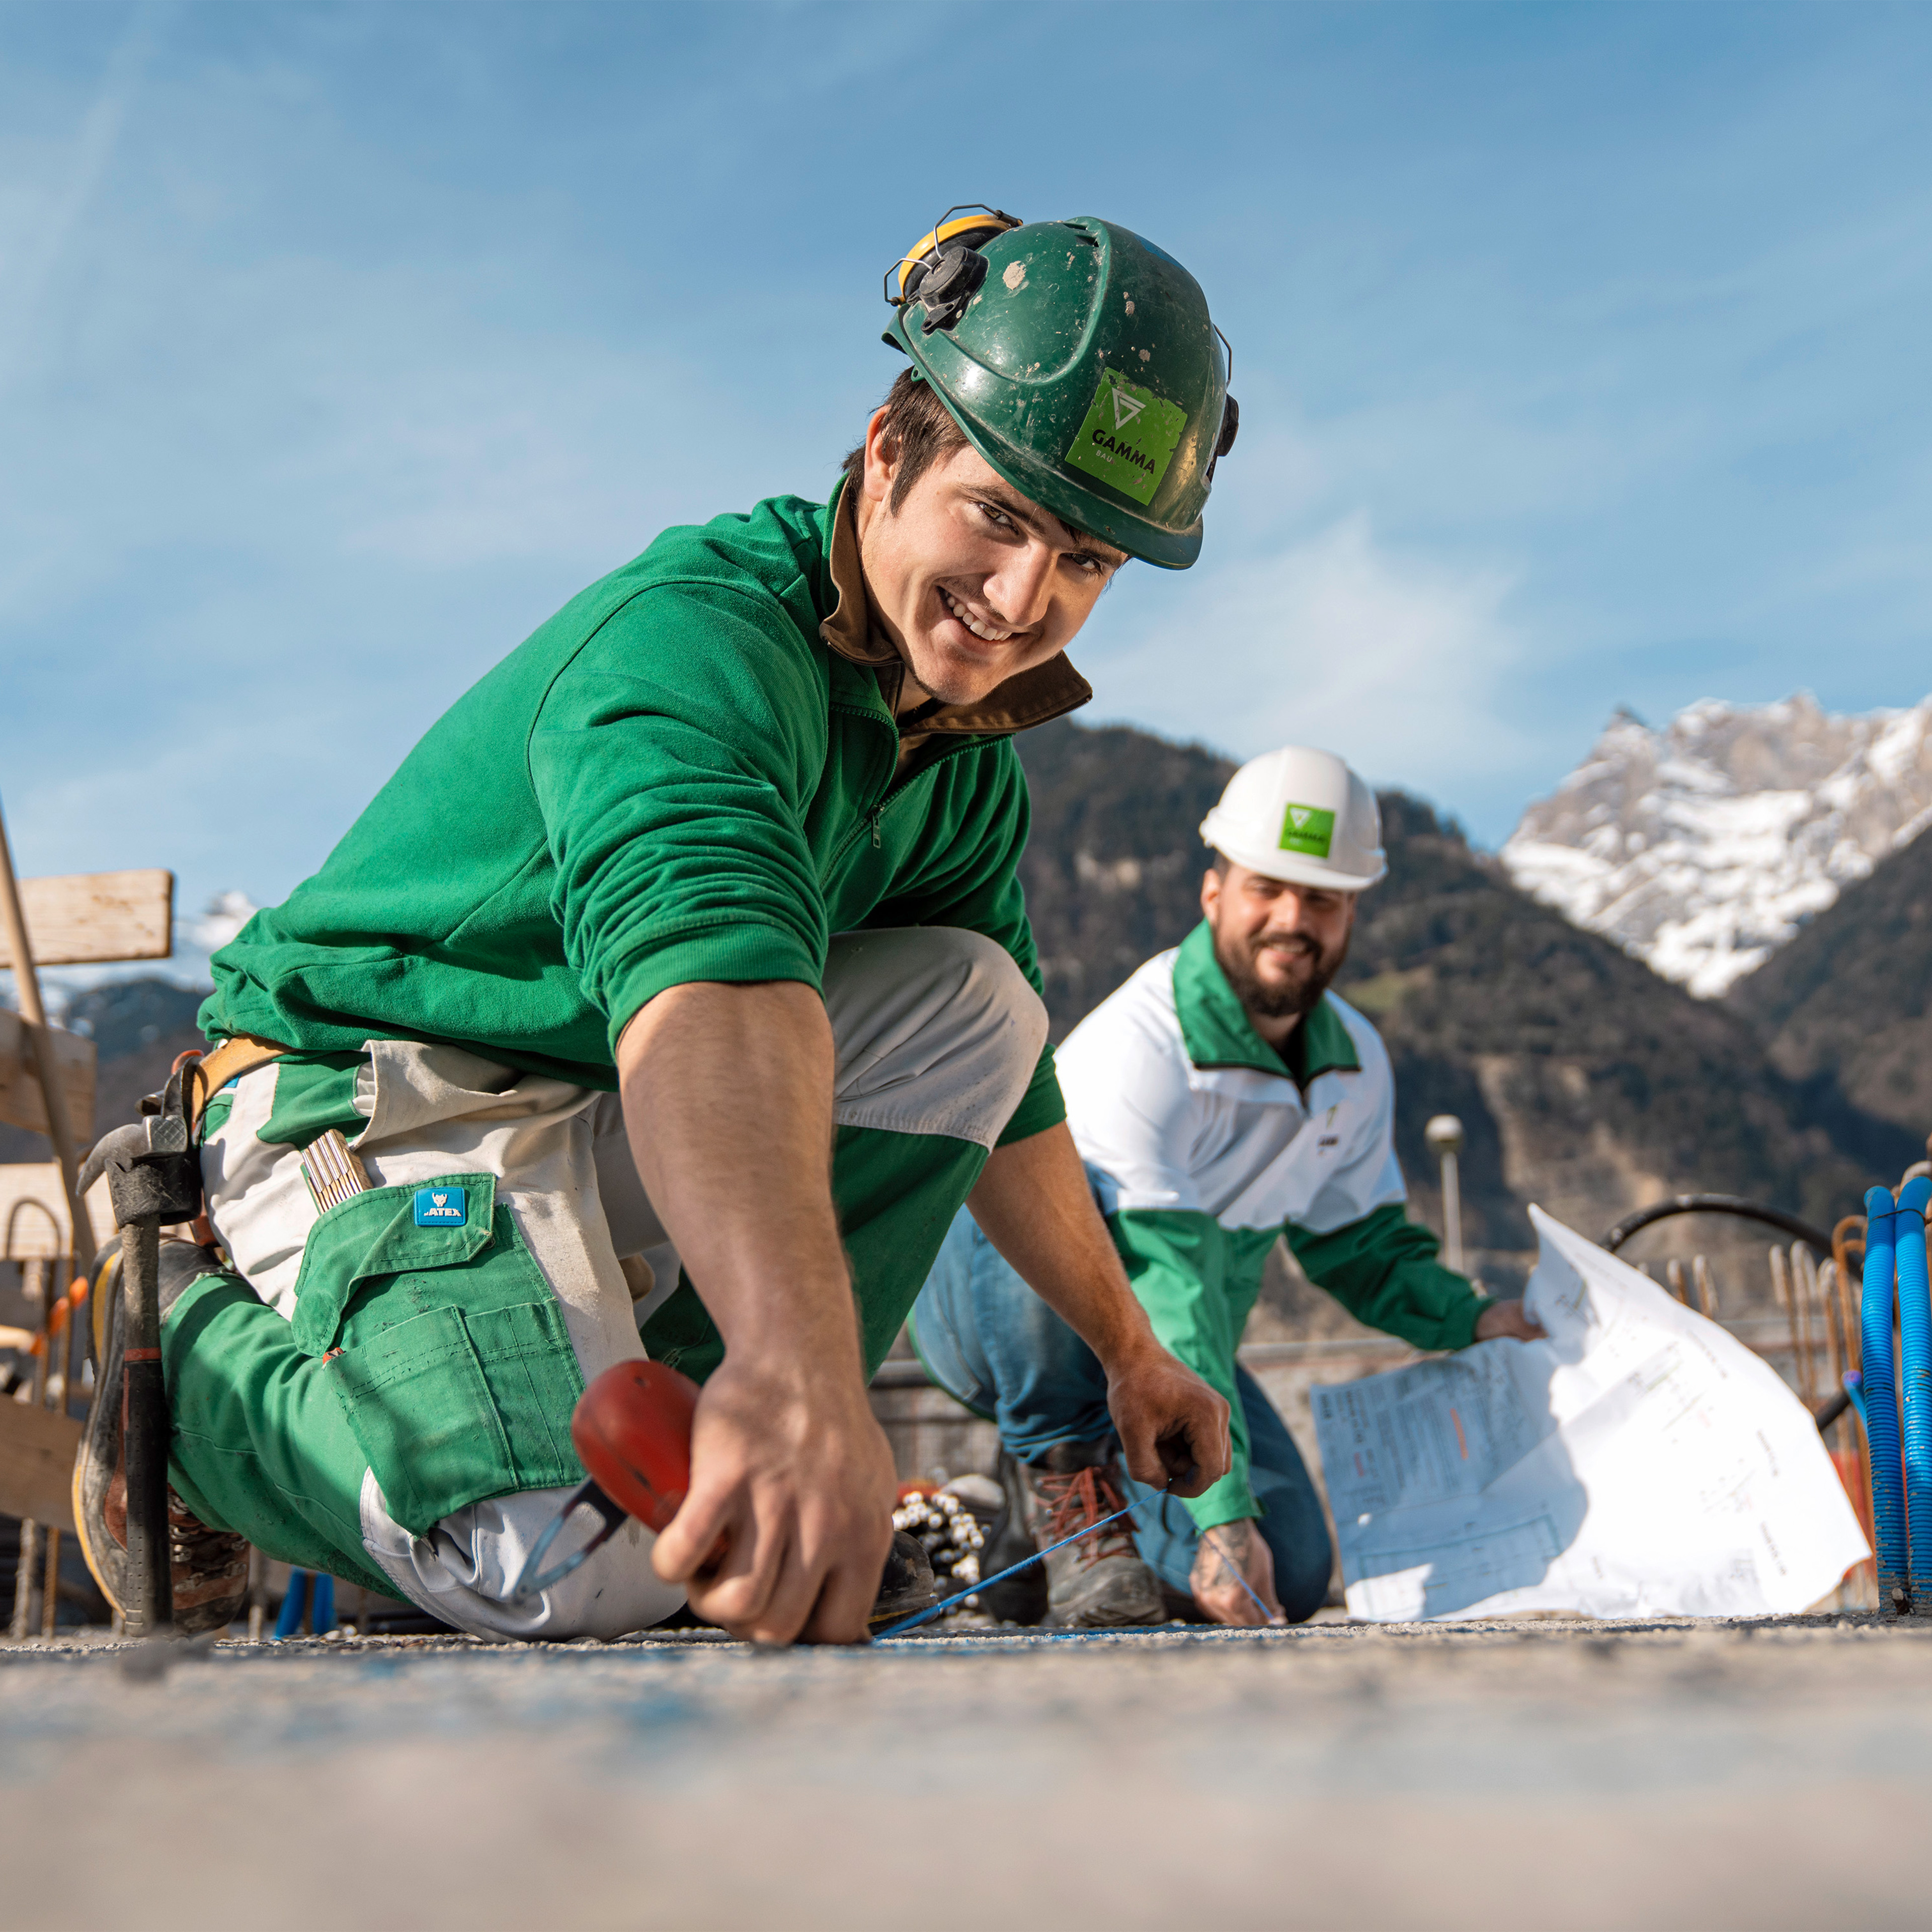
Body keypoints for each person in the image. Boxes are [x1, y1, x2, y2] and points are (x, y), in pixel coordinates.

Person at [73, 209, 1240, 1646]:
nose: (1023, 600)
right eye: (997, 518)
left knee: (980, 1001)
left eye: (1086, 562)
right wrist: (802, 1367)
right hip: (370, 1100)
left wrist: (1131, 1354)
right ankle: (192, 1391)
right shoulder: (692, 650)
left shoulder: (954, 767)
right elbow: (710, 998)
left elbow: (1008, 1095)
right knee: (560, 1572)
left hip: (598, 1121)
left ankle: (663, 1451)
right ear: (890, 454)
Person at [910, 746, 1547, 1628]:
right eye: (1267, 889)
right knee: (1038, 1187)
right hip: (993, 1312)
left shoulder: (1355, 1064)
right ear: (1216, 894)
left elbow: (1363, 1251)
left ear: (1352, 911)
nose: (1293, 918)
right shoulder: (1146, 1041)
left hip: (1165, 1344)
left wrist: (1479, 1318)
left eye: (1321, 897)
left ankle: (1020, 1537)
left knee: (1297, 1559)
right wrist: (1222, 1519)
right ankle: (1063, 1474)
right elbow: (1167, 1282)